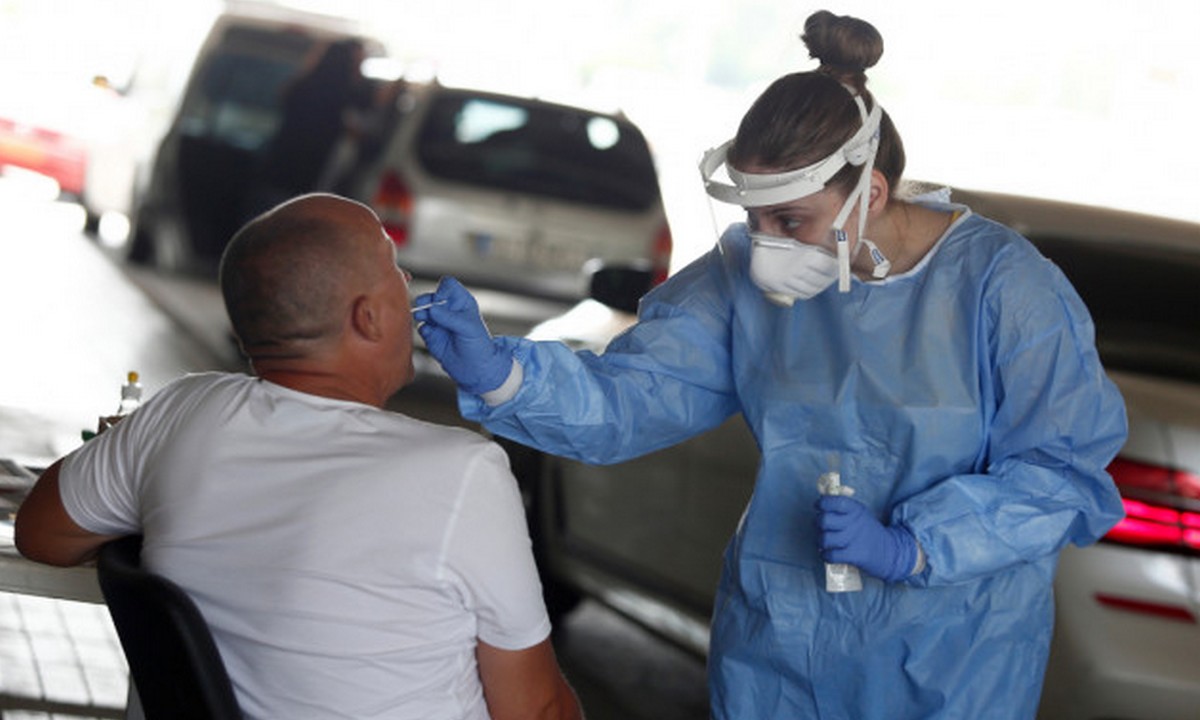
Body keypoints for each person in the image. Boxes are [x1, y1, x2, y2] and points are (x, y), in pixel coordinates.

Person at [410, 10, 1127, 720]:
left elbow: (1061, 473)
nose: (766, 248)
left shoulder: (1005, 289)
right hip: (780, 649)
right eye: (755, 221)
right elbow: (638, 393)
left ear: (871, 194)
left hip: (949, 659)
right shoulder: (743, 277)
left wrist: (913, 547)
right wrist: (503, 375)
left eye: (790, 221)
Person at [15, 194, 583, 720]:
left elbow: (41, 533)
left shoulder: (178, 411)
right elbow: (536, 711)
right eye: (394, 268)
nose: (408, 283)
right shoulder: (463, 473)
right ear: (367, 317)